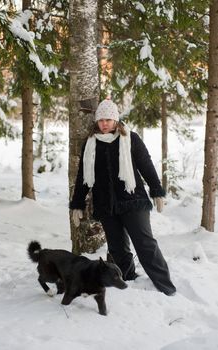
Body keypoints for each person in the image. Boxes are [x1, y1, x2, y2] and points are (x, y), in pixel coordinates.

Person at [70, 98, 176, 296]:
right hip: (106, 205)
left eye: (108, 119)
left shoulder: (130, 138)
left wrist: (156, 189)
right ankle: (128, 283)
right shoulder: (91, 143)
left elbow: (146, 165)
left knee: (145, 245)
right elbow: (83, 176)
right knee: (118, 249)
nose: (104, 124)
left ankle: (166, 287)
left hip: (133, 201)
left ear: (116, 120)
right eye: (101, 120)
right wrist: (77, 203)